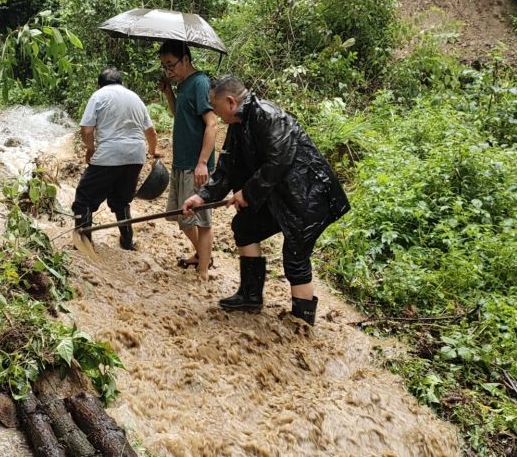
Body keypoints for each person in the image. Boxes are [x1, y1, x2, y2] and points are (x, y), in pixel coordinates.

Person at [181, 75, 349, 325]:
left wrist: (247, 193)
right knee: (245, 227)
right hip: (279, 197)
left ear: (230, 102)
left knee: (295, 255)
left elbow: (279, 160)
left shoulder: (268, 115)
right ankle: (250, 296)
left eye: (215, 109)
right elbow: (227, 169)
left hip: (309, 197)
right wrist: (201, 196)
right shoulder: (238, 125)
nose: (215, 115)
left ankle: (301, 325)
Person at [73, 67, 159, 250]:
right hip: (136, 156)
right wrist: (153, 151)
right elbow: (151, 132)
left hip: (109, 154)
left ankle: (83, 244)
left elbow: (87, 130)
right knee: (121, 200)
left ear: (100, 84)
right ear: (121, 83)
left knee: (83, 199)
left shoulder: (99, 96)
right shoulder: (135, 98)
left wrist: (90, 149)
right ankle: (128, 242)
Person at [157, 40, 218, 281]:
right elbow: (177, 114)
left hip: (196, 165)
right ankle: (202, 255)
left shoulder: (200, 83)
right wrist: (168, 91)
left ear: (185, 60)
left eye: (171, 65)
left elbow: (212, 123)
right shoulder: (183, 85)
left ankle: (203, 271)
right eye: (164, 66)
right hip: (182, 162)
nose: (168, 70)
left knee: (200, 219)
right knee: (182, 217)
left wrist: (203, 162)